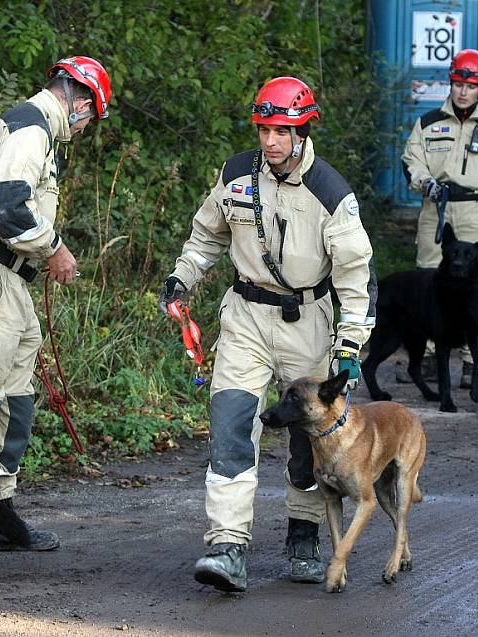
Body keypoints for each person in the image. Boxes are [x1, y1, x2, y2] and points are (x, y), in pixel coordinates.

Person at [158, 76, 377, 592]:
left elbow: (355, 277)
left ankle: (304, 535)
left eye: (282, 131)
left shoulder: (331, 193)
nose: (271, 141)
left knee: (309, 438)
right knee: (231, 421)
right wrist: (182, 275)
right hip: (246, 319)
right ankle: (228, 546)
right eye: (264, 130)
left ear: (302, 131)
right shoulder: (236, 175)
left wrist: (349, 345)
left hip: (309, 323)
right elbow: (206, 233)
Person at [0, 56, 111, 560]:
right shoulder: (31, 129)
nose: (87, 126)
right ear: (78, 100)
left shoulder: (29, 128)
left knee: (14, 397)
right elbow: (6, 206)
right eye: (90, 115)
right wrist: (54, 249)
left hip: (6, 277)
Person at [401, 49, 478, 388]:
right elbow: (412, 161)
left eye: (471, 86)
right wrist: (426, 183)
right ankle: (428, 359)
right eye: (458, 84)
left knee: (476, 287)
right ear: (450, 83)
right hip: (437, 208)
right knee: (428, 283)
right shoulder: (428, 123)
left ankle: (472, 362)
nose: (463, 91)